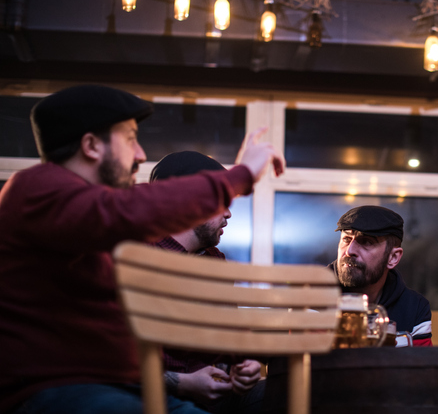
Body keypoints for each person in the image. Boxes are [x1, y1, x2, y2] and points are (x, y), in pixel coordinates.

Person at [0, 84, 284, 414]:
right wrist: (240, 175)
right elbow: (128, 209)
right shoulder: (35, 188)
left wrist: (239, 358)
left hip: (118, 385)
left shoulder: (93, 233)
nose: (139, 154)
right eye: (131, 138)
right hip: (58, 390)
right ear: (91, 145)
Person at [148, 151, 264, 413]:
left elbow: (228, 341)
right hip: (157, 393)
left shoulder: (214, 260)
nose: (228, 214)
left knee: (299, 393)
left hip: (217, 393)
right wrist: (183, 384)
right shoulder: (139, 257)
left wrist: (241, 366)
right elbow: (116, 362)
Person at [329, 205, 432, 346]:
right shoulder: (311, 297)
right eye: (346, 239)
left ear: (393, 258)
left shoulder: (415, 308)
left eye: (366, 242)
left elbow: (422, 366)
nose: (349, 251)